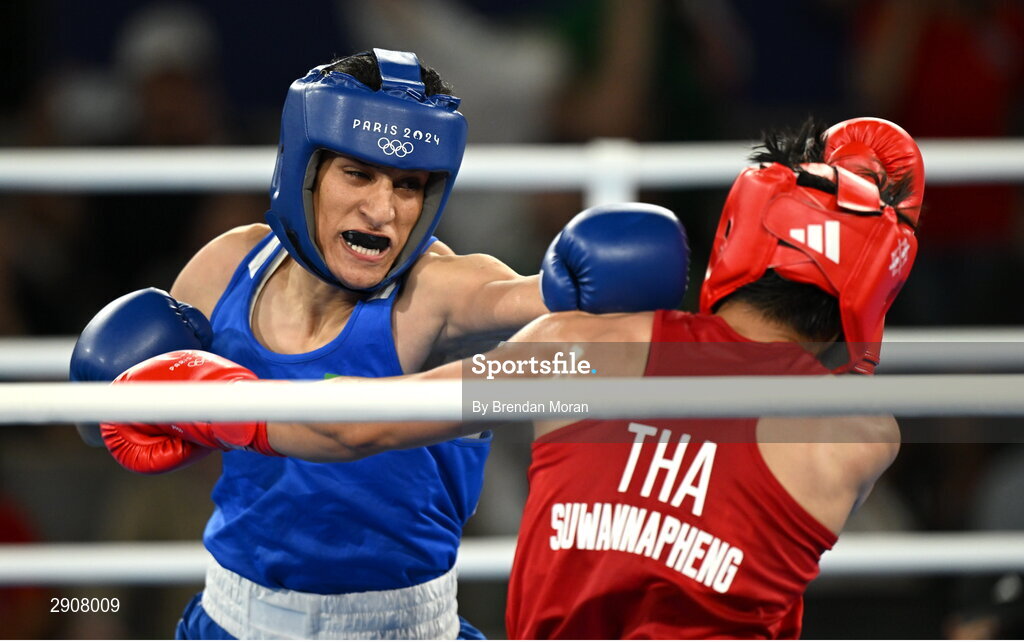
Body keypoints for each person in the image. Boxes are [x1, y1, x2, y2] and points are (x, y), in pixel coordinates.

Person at [100, 116, 923, 638]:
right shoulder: (855, 436)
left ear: (734, 241)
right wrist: (871, 236)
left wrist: (201, 398)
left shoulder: (580, 354)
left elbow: (355, 426)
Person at [70, 48, 687, 639]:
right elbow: (117, 422)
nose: (382, 211)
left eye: (408, 185)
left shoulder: (439, 291)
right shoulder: (225, 267)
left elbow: (522, 297)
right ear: (304, 172)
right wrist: (122, 407)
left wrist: (577, 286)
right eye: (358, 174)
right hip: (230, 618)